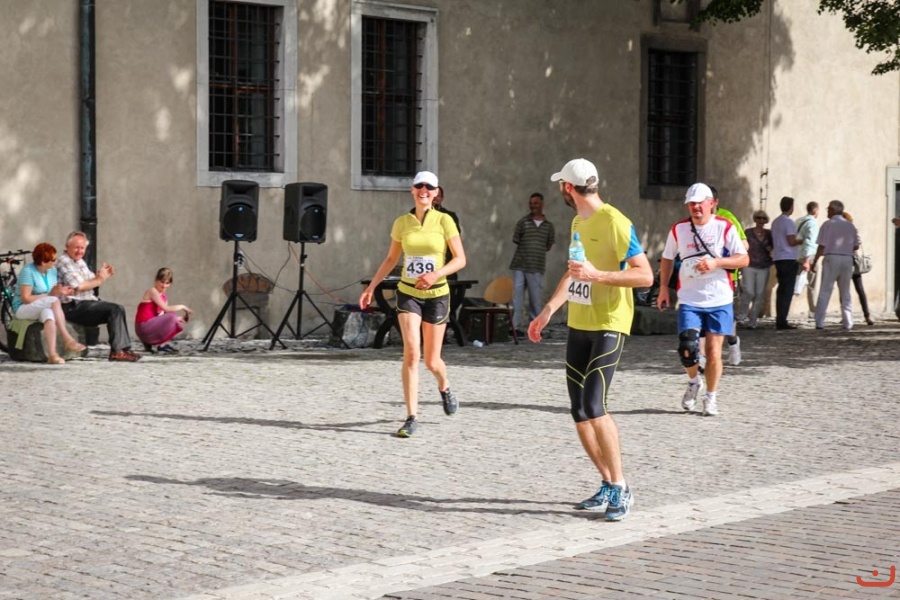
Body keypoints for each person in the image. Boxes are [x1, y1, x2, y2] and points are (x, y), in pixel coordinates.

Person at [528, 158, 653, 522]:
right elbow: (574, 274)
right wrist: (547, 311)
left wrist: (598, 275)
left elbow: (645, 276)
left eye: (560, 186)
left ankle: (622, 487)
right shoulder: (576, 222)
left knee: (595, 404)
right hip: (579, 322)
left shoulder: (615, 221)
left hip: (610, 322)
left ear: (568, 188)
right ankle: (608, 482)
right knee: (580, 410)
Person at [360, 171, 466, 438]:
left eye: (429, 186)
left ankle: (444, 386)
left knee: (432, 361)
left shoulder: (445, 221)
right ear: (412, 190)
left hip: (437, 295)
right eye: (419, 185)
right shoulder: (402, 223)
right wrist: (371, 288)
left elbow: (460, 259)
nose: (424, 190)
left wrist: (436, 274)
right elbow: (390, 259)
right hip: (408, 294)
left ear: (436, 192)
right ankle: (411, 417)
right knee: (411, 353)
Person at [657, 183, 749, 417]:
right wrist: (663, 289)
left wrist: (716, 262)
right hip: (690, 298)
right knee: (687, 348)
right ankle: (694, 381)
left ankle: (711, 397)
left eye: (700, 203)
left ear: (712, 203)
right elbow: (667, 258)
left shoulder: (724, 227)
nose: (696, 207)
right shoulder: (679, 229)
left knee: (714, 352)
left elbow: (743, 259)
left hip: (719, 298)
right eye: (691, 203)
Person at [56, 231, 141, 362]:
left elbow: (91, 279)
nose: (80, 251)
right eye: (77, 247)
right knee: (114, 309)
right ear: (67, 247)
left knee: (118, 309)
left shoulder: (79, 261)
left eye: (82, 248)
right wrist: (100, 279)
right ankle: (117, 351)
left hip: (85, 303)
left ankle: (123, 350)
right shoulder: (64, 261)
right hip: (72, 306)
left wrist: (103, 274)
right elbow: (80, 285)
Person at [12, 243, 86, 364]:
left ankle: (52, 355)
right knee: (53, 301)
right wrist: (50, 296)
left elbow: (50, 295)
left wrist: (61, 292)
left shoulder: (52, 271)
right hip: (22, 308)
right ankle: (67, 338)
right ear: (43, 262)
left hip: (41, 305)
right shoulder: (28, 271)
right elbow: (26, 298)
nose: (55, 262)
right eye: (53, 260)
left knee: (49, 315)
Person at [708, 186, 746, 366]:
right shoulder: (693, 221)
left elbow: (744, 245)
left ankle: (733, 343)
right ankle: (702, 357)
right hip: (702, 277)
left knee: (726, 315)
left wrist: (721, 257)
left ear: (714, 202)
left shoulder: (727, 218)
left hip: (727, 276)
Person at [509, 192, 555, 337]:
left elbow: (548, 245)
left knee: (535, 300)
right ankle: (514, 327)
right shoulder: (523, 222)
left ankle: (535, 328)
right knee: (517, 298)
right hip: (520, 264)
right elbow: (516, 239)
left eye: (535, 203)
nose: (533, 206)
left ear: (542, 205)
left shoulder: (549, 226)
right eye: (531, 203)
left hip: (536, 266)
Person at [811, 201, 860, 330]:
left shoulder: (828, 224)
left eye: (828, 209)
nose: (827, 211)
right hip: (847, 258)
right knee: (845, 291)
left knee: (825, 290)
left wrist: (815, 260)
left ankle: (820, 322)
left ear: (833, 210)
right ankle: (848, 321)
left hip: (831, 257)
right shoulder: (850, 226)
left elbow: (821, 245)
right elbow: (856, 245)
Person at [135, 268, 193, 354]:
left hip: (150, 328)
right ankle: (162, 346)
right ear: (156, 280)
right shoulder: (152, 291)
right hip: (143, 327)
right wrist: (182, 306)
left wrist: (179, 319)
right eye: (162, 282)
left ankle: (159, 344)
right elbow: (166, 309)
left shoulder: (164, 297)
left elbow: (162, 317)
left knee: (171, 316)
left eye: (167, 283)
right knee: (171, 314)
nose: (164, 286)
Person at [770, 196, 803, 330]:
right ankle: (782, 320)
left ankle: (780, 318)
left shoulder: (775, 222)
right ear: (791, 207)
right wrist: (800, 240)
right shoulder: (789, 222)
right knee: (787, 290)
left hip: (778, 257)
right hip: (789, 257)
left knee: (781, 289)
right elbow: (791, 241)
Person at [738, 210, 773, 329]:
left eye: (763, 218)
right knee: (748, 291)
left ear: (766, 220)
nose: (761, 220)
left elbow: (773, 248)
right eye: (758, 218)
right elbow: (742, 247)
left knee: (759, 294)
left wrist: (770, 249)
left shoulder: (769, 234)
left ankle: (753, 320)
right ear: (755, 219)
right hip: (749, 265)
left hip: (764, 266)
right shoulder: (748, 232)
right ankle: (741, 316)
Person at [840, 212, 874, 326]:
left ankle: (867, 315)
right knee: (845, 290)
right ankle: (845, 315)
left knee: (859, 289)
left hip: (853, 262)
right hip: (846, 261)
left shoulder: (852, 230)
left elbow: (857, 244)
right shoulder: (842, 230)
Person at [793, 202, 820, 318]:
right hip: (809, 257)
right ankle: (813, 311)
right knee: (811, 286)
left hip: (797, 255)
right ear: (815, 210)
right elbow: (810, 242)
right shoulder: (812, 223)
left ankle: (786, 310)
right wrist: (807, 260)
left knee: (795, 284)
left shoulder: (798, 221)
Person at [432, 186, 460, 281]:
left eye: (438, 196)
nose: (435, 198)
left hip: (445, 261)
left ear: (442, 198)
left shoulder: (450, 216)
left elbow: (455, 238)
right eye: (433, 195)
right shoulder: (418, 214)